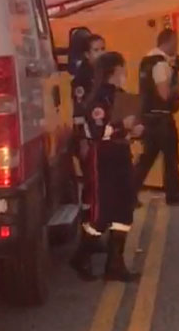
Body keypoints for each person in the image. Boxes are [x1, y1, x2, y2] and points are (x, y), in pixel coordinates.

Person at [69, 51, 142, 282]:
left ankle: (115, 265)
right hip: (104, 158)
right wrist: (123, 126)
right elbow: (98, 131)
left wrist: (137, 130)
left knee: (124, 209)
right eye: (122, 69)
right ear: (114, 71)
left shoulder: (120, 96)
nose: (125, 74)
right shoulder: (98, 99)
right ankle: (81, 255)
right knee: (102, 214)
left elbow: (130, 125)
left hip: (121, 154)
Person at [132, 28, 179, 206]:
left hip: (148, 117)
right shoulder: (161, 64)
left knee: (146, 159)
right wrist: (177, 86)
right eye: (176, 42)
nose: (177, 46)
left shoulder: (147, 61)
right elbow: (164, 94)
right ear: (168, 41)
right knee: (171, 158)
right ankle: (174, 195)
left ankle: (128, 195)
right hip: (161, 119)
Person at [71, 34, 106, 225]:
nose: (101, 53)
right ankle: (88, 228)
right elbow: (79, 111)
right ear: (87, 54)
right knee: (92, 183)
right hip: (89, 137)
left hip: (101, 135)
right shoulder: (82, 79)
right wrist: (83, 140)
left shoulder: (103, 74)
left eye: (103, 49)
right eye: (96, 50)